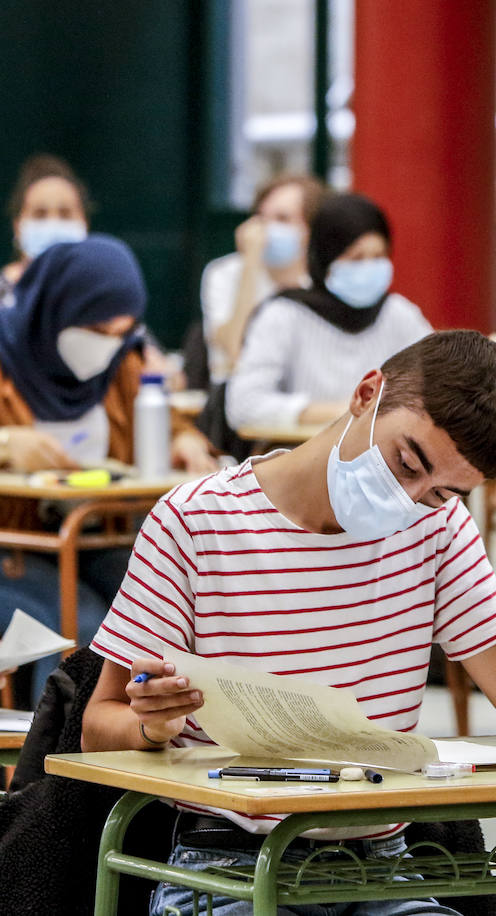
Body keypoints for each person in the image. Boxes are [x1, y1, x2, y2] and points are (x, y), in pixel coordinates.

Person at [81, 330, 496, 915]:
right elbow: (98, 725)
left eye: (438, 493)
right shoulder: (197, 522)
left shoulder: (437, 531)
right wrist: (152, 727)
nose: (408, 497)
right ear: (367, 393)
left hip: (380, 868)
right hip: (228, 864)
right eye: (406, 462)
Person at [0, 236, 217, 704]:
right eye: (97, 329)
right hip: (13, 546)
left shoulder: (121, 362)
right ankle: (53, 772)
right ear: (57, 309)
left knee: (164, 616)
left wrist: (183, 437)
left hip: (94, 538)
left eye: (122, 332)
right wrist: (5, 444)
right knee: (83, 628)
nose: (107, 346)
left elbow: (170, 421)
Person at [226, 191, 433, 432]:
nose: (368, 267)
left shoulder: (399, 314)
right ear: (325, 259)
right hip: (299, 457)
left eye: (378, 256)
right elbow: (242, 405)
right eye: (356, 258)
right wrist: (340, 412)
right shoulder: (284, 314)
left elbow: (438, 386)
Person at [200, 173, 327, 384]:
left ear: (312, 230)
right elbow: (233, 348)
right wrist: (250, 264)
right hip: (235, 402)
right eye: (261, 217)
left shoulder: (324, 280)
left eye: (282, 219)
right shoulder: (223, 273)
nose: (265, 230)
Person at [3, 154, 91, 308]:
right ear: (17, 226)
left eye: (65, 214)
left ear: (84, 222)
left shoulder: (102, 294)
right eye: (40, 214)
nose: (53, 222)